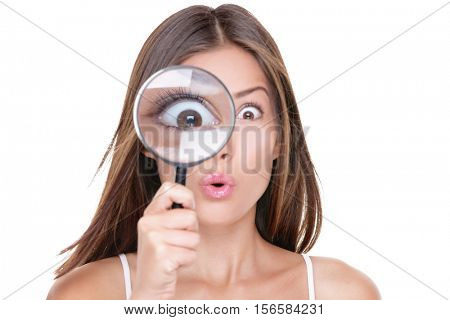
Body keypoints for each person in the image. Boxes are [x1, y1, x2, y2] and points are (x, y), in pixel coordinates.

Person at [47, 4, 381, 300]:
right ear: (147, 141)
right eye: (189, 117)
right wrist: (149, 299)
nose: (220, 148)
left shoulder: (344, 296)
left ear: (280, 139)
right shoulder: (84, 297)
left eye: (249, 113)